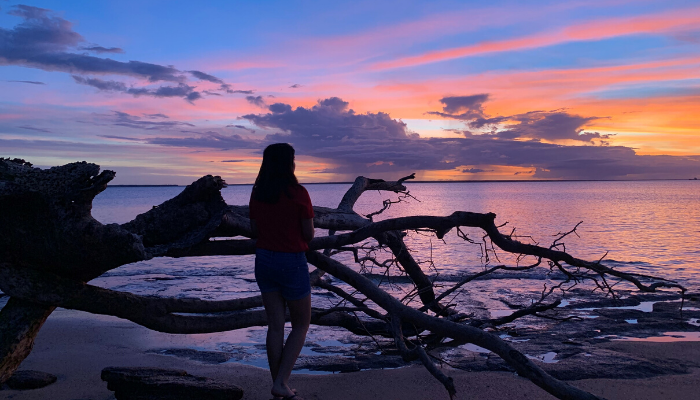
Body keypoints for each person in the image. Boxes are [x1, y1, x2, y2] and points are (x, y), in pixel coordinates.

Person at [249, 143, 314, 400]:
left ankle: (279, 385)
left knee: (275, 326)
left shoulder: (258, 192)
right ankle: (281, 382)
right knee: (301, 324)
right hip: (292, 261)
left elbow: (255, 229)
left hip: (264, 260)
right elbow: (308, 235)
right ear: (290, 163)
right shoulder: (298, 193)